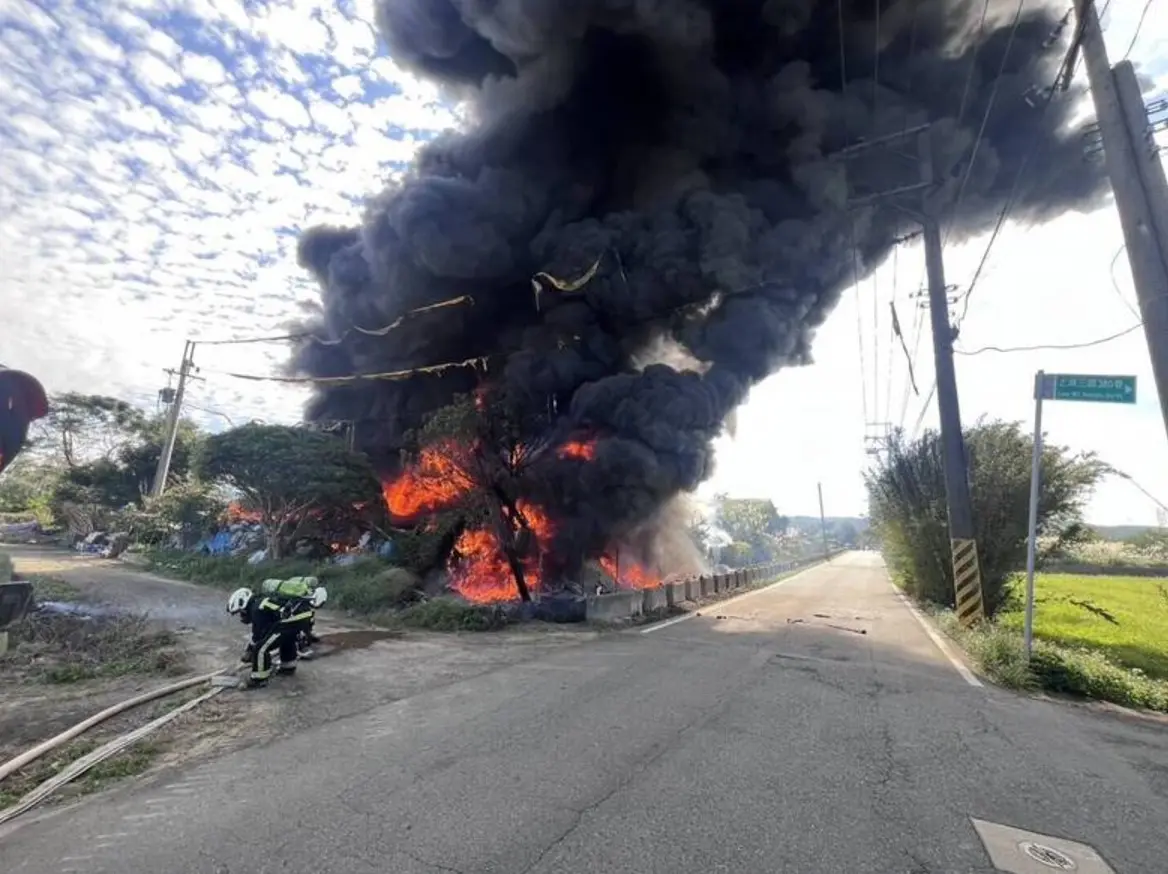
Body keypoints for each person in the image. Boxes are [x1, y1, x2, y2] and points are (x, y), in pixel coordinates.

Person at [226, 581, 316, 687]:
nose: (242, 616)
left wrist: (250, 652)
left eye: (241, 613)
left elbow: (259, 635)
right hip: (303, 615)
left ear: (244, 604)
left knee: (261, 648)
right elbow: (270, 628)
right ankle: (288, 666)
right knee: (285, 638)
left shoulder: (256, 608)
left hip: (292, 618)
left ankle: (259, 679)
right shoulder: (261, 601)